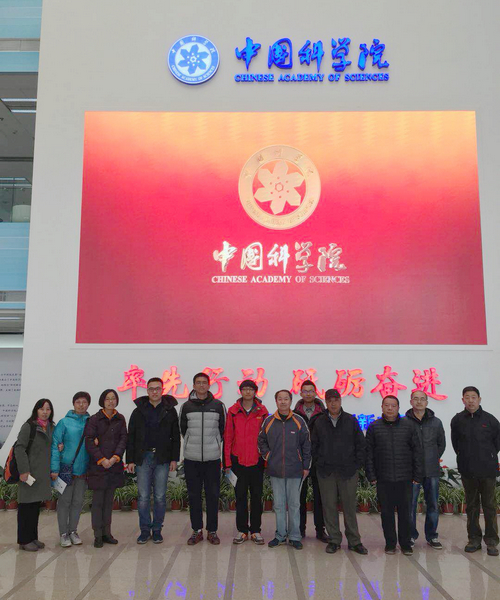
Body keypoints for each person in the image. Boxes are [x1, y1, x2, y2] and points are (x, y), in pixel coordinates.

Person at [311, 388, 368, 555]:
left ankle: (354, 541)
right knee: (329, 506)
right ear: (326, 403)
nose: (333, 404)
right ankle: (334, 540)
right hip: (326, 472)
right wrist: (319, 463)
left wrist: (356, 465)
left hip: (348, 471)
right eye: (329, 401)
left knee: (349, 507)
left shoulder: (350, 420)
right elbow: (313, 446)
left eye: (336, 400)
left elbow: (361, 445)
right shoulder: (319, 422)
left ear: (340, 401)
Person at [366, 395, 423, 555]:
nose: (390, 408)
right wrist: (371, 475)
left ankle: (405, 544)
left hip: (405, 478)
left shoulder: (409, 426)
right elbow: (368, 453)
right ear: (382, 407)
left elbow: (417, 452)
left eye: (393, 405)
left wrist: (417, 475)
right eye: (387, 405)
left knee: (405, 513)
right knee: (386, 513)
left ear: (398, 408)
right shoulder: (374, 427)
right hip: (384, 478)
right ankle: (390, 543)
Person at [126, 377, 180, 544]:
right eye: (151, 389)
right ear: (147, 391)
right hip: (143, 458)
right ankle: (144, 530)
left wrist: (174, 459)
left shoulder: (170, 410)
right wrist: (130, 460)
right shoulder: (138, 411)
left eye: (157, 388)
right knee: (143, 497)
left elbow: (176, 437)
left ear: (162, 390)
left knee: (160, 496)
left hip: (162, 458)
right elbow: (131, 436)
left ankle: (157, 530)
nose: (154, 391)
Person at [258, 389, 311, 550]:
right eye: (280, 399)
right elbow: (261, 440)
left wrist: (306, 466)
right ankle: (280, 535)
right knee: (279, 505)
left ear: (290, 401)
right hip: (276, 470)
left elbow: (306, 444)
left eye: (286, 399)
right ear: (276, 401)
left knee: (294, 505)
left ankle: (295, 536)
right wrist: (268, 456)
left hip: (295, 470)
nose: (283, 402)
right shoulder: (268, 421)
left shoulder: (299, 421)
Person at [451, 386, 500, 556]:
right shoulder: (458, 420)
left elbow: (497, 443)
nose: (470, 400)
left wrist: (488, 456)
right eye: (467, 397)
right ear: (462, 400)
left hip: (487, 471)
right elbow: (456, 443)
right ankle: (474, 539)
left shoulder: (490, 420)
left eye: (473, 397)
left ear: (479, 399)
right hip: (468, 470)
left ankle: (492, 541)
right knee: (471, 506)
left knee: (489, 506)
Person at [180, 372, 226, 545]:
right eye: (198, 382)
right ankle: (197, 530)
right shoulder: (186, 406)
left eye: (204, 382)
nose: (201, 385)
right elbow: (183, 430)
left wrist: (213, 443)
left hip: (212, 458)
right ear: (193, 385)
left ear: (209, 385)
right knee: (194, 496)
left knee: (213, 495)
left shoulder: (218, 405)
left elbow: (223, 429)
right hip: (191, 459)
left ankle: (212, 531)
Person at [224, 379, 269, 545]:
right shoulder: (233, 411)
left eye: (251, 389)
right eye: (245, 389)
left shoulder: (262, 411)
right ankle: (242, 530)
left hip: (257, 462)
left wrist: (266, 461)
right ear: (240, 391)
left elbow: (267, 438)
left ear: (255, 392)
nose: (248, 392)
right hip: (238, 462)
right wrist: (227, 463)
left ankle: (256, 530)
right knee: (240, 497)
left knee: (257, 497)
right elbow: (228, 437)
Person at [85, 389, 127, 548]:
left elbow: (123, 439)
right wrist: (102, 460)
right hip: (98, 467)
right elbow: (89, 441)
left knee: (109, 503)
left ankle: (107, 533)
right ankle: (97, 535)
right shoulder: (95, 419)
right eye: (108, 399)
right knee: (97, 503)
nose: (111, 401)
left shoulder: (120, 419)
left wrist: (115, 457)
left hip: (114, 466)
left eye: (113, 398)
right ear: (102, 401)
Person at [405, 390, 446, 549]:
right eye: (416, 399)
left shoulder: (436, 422)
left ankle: (432, 536)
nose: (419, 402)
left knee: (433, 504)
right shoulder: (405, 422)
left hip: (431, 470)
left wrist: (432, 457)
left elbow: (441, 444)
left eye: (422, 399)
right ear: (411, 402)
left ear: (427, 402)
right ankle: (410, 535)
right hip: (412, 471)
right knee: (410, 505)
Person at [50, 391, 91, 548]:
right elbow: (55, 445)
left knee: (78, 502)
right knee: (64, 502)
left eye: (84, 402)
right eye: (78, 402)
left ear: (88, 404)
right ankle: (63, 533)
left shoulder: (91, 422)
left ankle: (73, 531)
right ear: (73, 404)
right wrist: (54, 468)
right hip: (66, 470)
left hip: (83, 470)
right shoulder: (64, 422)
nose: (81, 405)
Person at [15, 398, 55, 552]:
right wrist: (24, 470)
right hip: (29, 474)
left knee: (35, 507)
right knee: (25, 507)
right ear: (36, 410)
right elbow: (19, 448)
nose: (45, 412)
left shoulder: (50, 427)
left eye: (48, 409)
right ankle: (24, 540)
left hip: (41, 475)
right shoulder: (29, 426)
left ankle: (32, 537)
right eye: (41, 409)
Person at [293, 380, 328, 541]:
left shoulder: (324, 414)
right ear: (300, 393)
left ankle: (320, 530)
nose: (308, 394)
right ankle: (300, 529)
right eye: (305, 391)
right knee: (299, 497)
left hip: (319, 461)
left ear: (315, 393)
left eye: (311, 391)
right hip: (300, 461)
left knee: (320, 497)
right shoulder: (294, 414)